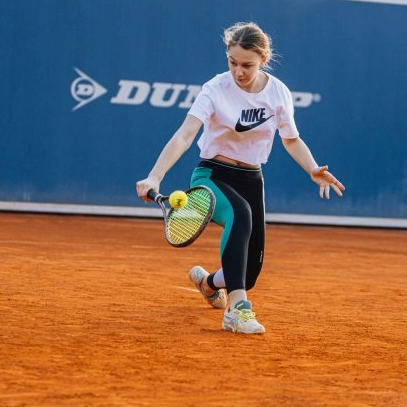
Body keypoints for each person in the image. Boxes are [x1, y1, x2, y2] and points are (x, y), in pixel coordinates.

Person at [136, 22, 344, 334]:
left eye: (247, 65)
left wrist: (312, 168)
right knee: (240, 216)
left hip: (251, 179)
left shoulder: (278, 93)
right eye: (232, 63)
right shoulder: (214, 89)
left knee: (250, 272)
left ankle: (208, 283)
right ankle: (237, 310)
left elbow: (291, 139)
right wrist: (154, 176)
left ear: (263, 59)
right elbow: (184, 135)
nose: (239, 72)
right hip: (212, 174)